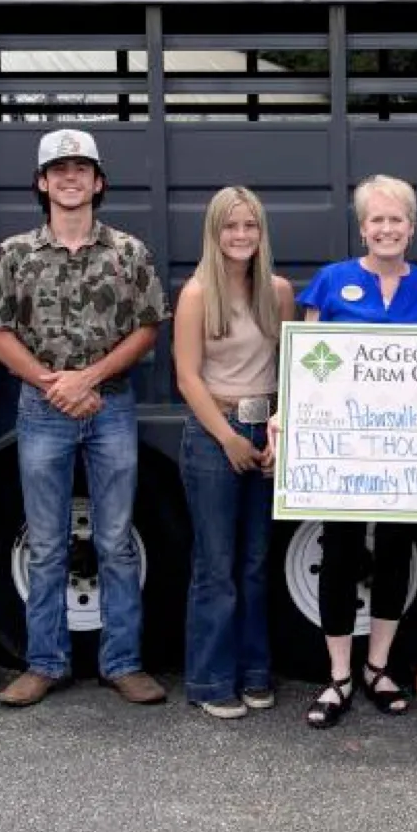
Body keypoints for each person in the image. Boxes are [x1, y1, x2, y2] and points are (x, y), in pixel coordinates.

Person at [0, 128, 168, 708]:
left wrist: (88, 379)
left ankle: (124, 663)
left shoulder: (128, 252)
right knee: (46, 543)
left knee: (114, 540)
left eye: (81, 169)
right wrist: (53, 384)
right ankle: (44, 663)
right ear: (42, 182)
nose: (70, 177)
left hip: (110, 405)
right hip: (42, 408)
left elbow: (147, 327)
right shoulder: (14, 254)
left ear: (98, 181)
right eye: (58, 169)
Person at [295, 174, 417, 728]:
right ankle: (338, 675)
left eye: (396, 220)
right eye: (376, 220)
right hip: (343, 445)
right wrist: (289, 417)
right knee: (340, 551)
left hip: (408, 447)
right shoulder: (331, 282)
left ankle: (378, 668)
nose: (386, 229)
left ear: (411, 228)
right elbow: (307, 362)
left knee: (394, 550)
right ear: (362, 227)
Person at [173, 187, 295, 720]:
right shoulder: (198, 294)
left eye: (250, 226)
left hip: (264, 425)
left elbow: (290, 366)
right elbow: (185, 376)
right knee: (215, 565)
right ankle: (209, 679)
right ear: (214, 232)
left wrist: (276, 434)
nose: (241, 236)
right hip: (213, 431)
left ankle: (254, 672)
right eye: (230, 227)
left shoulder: (279, 291)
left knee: (255, 563)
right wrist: (227, 439)